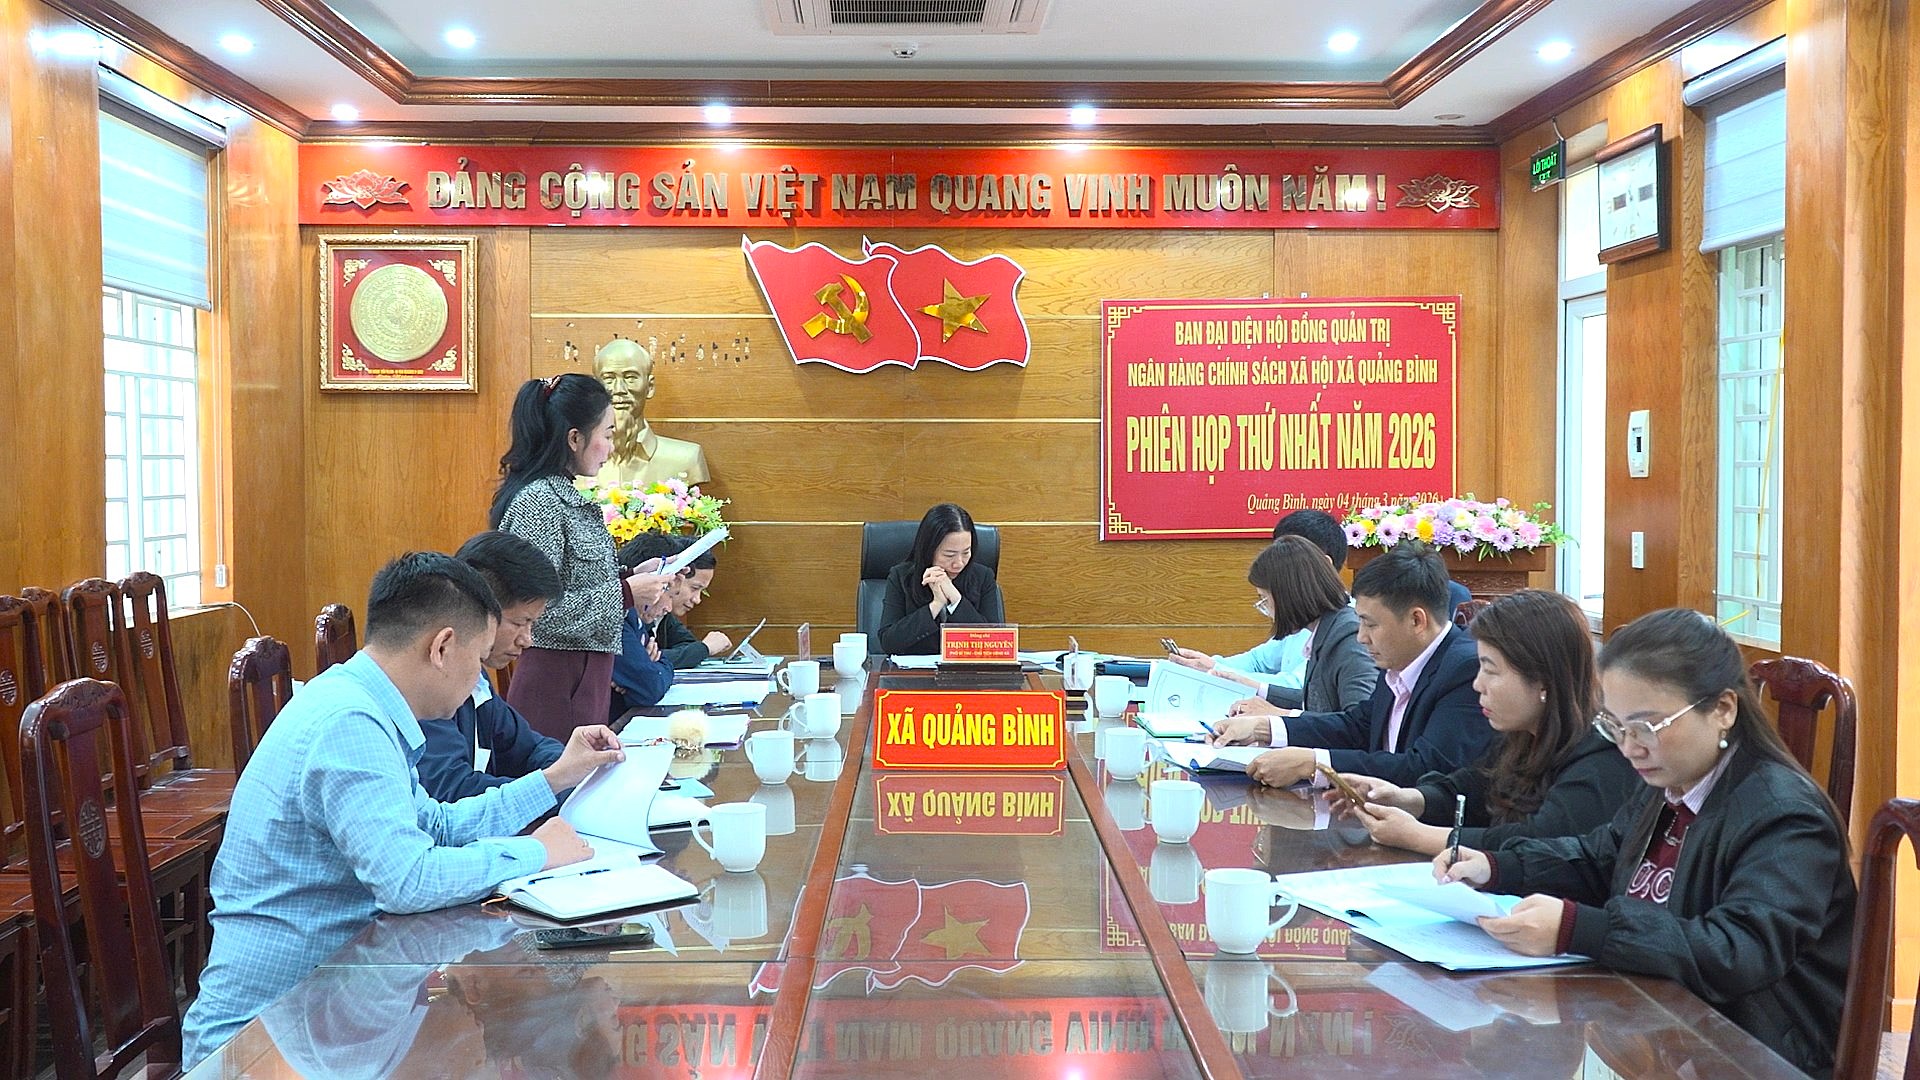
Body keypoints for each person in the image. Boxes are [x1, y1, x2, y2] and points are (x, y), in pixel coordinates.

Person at [181, 552, 626, 1066]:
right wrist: (535, 853)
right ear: (442, 647)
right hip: (261, 1041)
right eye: (478, 661)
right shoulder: (350, 724)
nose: (477, 682)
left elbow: (435, 824)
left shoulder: (362, 702)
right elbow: (407, 880)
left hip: (329, 1008)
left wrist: (555, 779)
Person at [1438, 608, 1855, 1078]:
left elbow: (1738, 951)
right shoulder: (1671, 781)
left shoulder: (1785, 816)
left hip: (1750, 1051)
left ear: (1723, 709)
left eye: (1647, 727)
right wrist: (1498, 866)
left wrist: (1581, 929)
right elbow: (1603, 856)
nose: (1629, 748)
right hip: (1660, 1029)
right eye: (1616, 727)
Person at [1332, 589, 1639, 854]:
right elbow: (1476, 787)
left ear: (1544, 679)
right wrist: (1408, 799)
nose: (1478, 684)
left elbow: (1541, 842)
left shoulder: (1601, 756)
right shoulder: (1524, 736)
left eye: (1491, 671)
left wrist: (1420, 836)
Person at [1206, 543, 1493, 788]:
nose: (1361, 637)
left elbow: (1425, 769)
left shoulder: (1466, 670)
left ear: (1416, 620)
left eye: (1370, 624)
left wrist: (1315, 764)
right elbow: (1358, 726)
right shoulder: (1399, 660)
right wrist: (1262, 728)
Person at [490, 373, 669, 739]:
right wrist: (627, 592)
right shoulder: (538, 502)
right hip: (557, 684)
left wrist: (631, 575)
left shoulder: (563, 496)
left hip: (587, 681)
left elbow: (576, 581)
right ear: (574, 439)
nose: (612, 448)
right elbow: (538, 612)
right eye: (607, 435)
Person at [414, 531, 566, 803]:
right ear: (480, 611)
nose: (527, 640)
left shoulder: (476, 677)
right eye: (519, 623)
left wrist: (570, 769)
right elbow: (452, 791)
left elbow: (528, 748)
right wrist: (552, 786)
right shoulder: (427, 685)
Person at [1188, 536, 1375, 713]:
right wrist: (1254, 688)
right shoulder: (1325, 629)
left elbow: (1357, 723)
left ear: (1287, 595)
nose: (1266, 610)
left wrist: (1278, 718)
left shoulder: (1349, 635)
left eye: (1264, 599)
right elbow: (1312, 701)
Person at [1169, 508, 1347, 691]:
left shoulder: (1346, 627)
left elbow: (1299, 687)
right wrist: (1210, 664)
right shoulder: (1300, 620)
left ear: (1324, 564)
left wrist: (1218, 672)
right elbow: (1258, 661)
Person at [877, 502, 1005, 655]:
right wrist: (936, 605)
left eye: (966, 552)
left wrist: (955, 599)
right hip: (915, 669)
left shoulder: (983, 577)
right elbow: (889, 642)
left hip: (967, 669)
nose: (959, 563)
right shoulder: (901, 576)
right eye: (949, 555)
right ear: (929, 550)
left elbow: (994, 642)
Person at [590, 335, 710, 488]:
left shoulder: (687, 458)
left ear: (650, 387)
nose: (619, 389)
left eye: (630, 377)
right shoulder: (572, 462)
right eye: (609, 379)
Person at [621, 532, 730, 667]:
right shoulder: (621, 614)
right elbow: (637, 662)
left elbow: (687, 644)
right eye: (695, 588)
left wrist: (657, 658)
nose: (697, 600)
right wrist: (704, 648)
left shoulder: (662, 612)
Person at [609, 536, 680, 714]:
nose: (669, 607)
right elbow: (650, 687)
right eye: (669, 594)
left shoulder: (634, 617)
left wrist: (652, 668)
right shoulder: (618, 618)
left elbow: (660, 662)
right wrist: (651, 670)